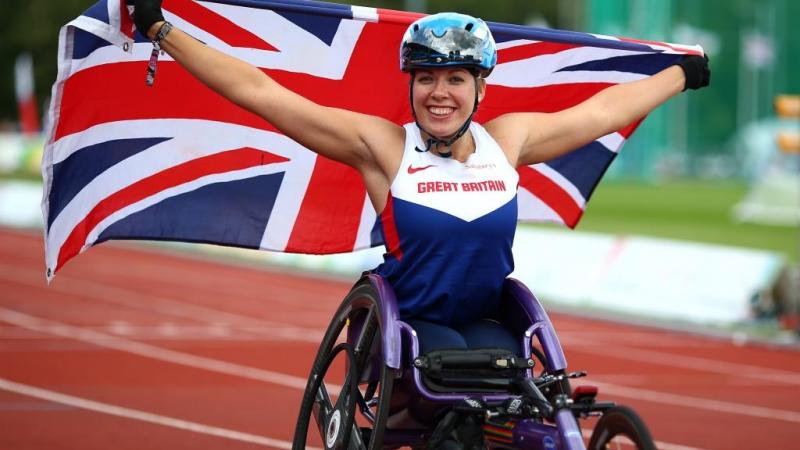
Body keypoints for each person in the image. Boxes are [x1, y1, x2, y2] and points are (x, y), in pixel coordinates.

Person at [132, 1, 709, 356]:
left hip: (488, 318)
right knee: (453, 390)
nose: (440, 93)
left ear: (480, 88)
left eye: (456, 78)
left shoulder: (507, 140)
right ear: (409, 84)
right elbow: (262, 93)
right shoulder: (382, 146)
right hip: (411, 325)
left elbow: (603, 113)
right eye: (427, 77)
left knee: (522, 385)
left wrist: (680, 74)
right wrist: (162, 30)